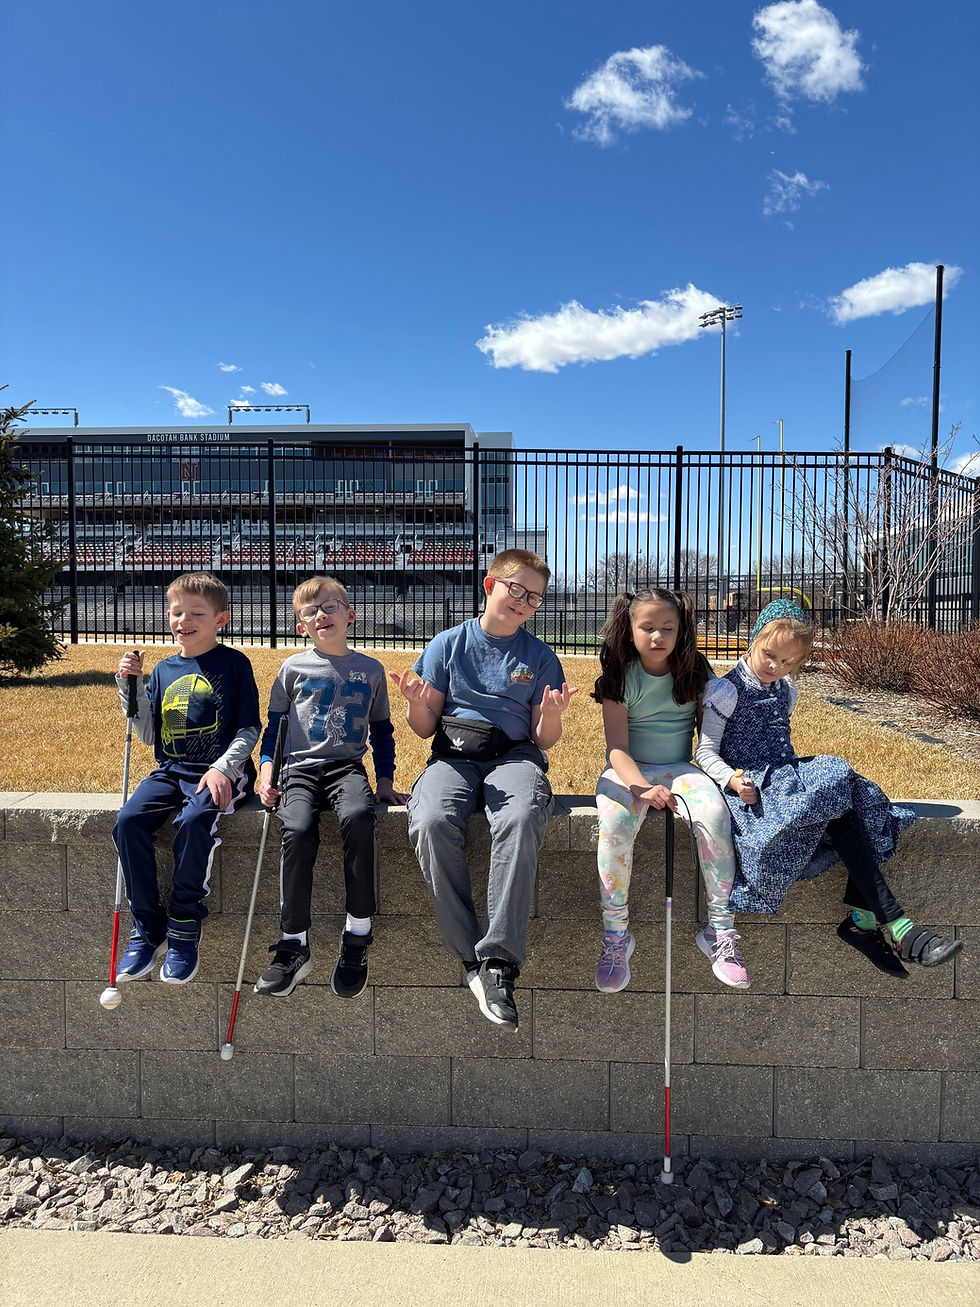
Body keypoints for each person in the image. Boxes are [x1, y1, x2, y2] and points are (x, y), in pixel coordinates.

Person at [695, 599, 962, 975]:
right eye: (770, 655)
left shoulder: (785, 690)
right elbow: (704, 752)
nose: (776, 667)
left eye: (788, 663)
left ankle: (876, 923)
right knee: (839, 782)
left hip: (786, 781)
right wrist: (732, 778)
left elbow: (780, 744)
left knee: (860, 800)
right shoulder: (725, 691)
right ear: (754, 639)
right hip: (753, 789)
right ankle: (882, 924)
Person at [391, 549, 576, 1032]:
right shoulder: (448, 645)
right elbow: (423, 726)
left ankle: (498, 961)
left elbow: (541, 738)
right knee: (429, 819)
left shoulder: (539, 657)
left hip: (513, 755)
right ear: (490, 584)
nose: (525, 602)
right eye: (518, 590)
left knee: (520, 816)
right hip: (453, 756)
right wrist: (415, 702)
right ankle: (469, 955)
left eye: (535, 598)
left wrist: (552, 715)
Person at [254, 576, 406, 1000]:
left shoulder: (371, 670)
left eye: (330, 606)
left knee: (359, 818)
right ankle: (293, 944)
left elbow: (382, 732)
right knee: (298, 829)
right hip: (299, 770)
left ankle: (358, 933)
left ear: (350, 615)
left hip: (346, 768)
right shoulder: (292, 669)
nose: (320, 615)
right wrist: (267, 774)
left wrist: (386, 781)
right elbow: (274, 732)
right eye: (309, 612)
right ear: (301, 626)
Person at [592, 588, 747, 993]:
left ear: (681, 631)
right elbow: (617, 750)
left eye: (668, 628)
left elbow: (710, 736)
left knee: (714, 815)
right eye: (648, 628)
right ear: (629, 630)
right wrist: (640, 789)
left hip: (681, 768)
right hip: (629, 771)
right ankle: (616, 933)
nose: (658, 636)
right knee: (614, 826)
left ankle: (719, 929)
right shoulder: (619, 676)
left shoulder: (695, 670)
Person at [113, 573, 260, 984]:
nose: (185, 620)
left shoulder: (234, 664)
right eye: (177, 612)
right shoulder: (161, 670)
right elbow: (147, 734)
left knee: (194, 822)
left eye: (197, 613)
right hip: (170, 770)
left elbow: (249, 729)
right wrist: (131, 688)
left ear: (221, 619)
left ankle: (183, 924)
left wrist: (222, 767)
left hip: (218, 771)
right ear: (168, 617)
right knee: (127, 822)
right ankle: (147, 925)